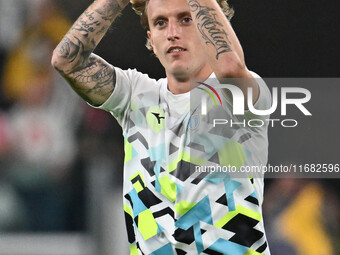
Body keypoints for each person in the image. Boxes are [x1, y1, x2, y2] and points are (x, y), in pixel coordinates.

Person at [52, 0, 272, 254]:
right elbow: (66, 62)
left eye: (186, 19)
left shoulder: (241, 98)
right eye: (160, 23)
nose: (172, 33)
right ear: (151, 40)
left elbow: (231, 67)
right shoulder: (135, 96)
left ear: (214, 24)